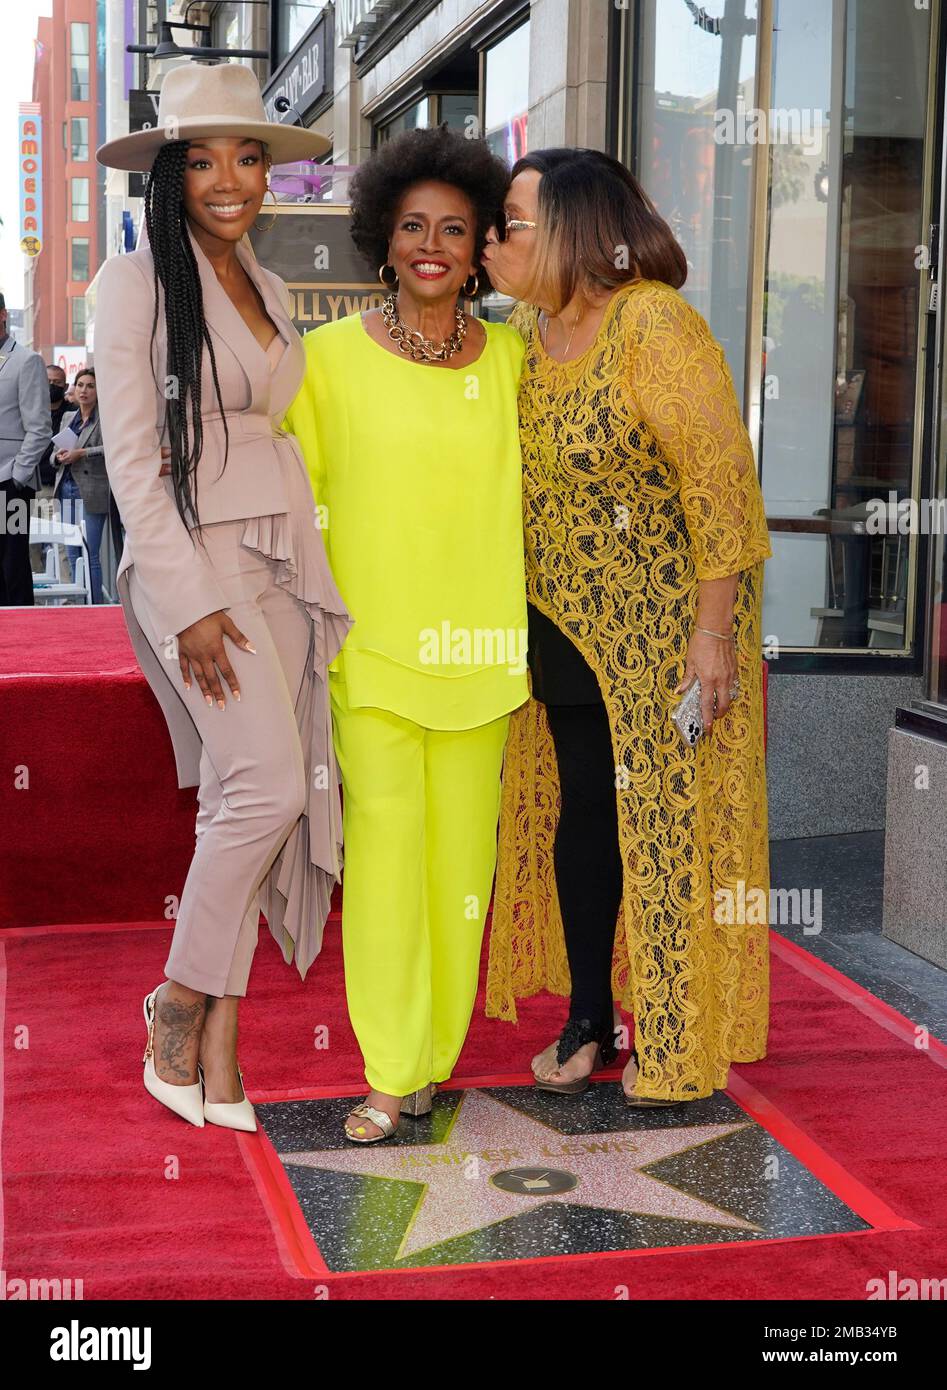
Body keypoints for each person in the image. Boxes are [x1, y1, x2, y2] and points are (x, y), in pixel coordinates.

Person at [481, 148, 772, 1105]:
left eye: (510, 222)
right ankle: (587, 1019)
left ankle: (676, 1024)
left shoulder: (651, 322)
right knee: (587, 823)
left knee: (665, 827)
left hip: (669, 637)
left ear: (568, 228)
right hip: (562, 629)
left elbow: (718, 482)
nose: (493, 240)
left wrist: (711, 637)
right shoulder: (524, 332)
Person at [94, 62, 352, 1132]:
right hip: (192, 562)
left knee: (243, 801)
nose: (228, 177)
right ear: (169, 173)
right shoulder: (135, 283)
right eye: (201, 159)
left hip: (279, 555)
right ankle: (176, 1000)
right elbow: (130, 461)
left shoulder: (271, 283)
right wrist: (188, 598)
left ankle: (222, 1057)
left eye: (247, 156)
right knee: (265, 790)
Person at [283, 126, 529, 1142]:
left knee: (459, 874)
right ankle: (388, 1071)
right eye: (413, 226)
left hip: (485, 662)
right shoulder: (326, 361)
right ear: (383, 238)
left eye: (455, 229)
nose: (432, 244)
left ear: (479, 251)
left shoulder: (514, 360)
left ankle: (433, 1060)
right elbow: (304, 509)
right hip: (372, 657)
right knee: (385, 864)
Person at [0, 292, 51, 605]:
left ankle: (21, 636)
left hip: (10, 483)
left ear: (3, 315)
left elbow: (40, 427)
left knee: (13, 563)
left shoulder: (26, 360)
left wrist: (17, 476)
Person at [52, 368, 111, 602]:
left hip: (92, 490)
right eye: (80, 385)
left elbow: (112, 449)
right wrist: (58, 457)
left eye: (90, 386)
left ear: (99, 391)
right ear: (74, 389)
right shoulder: (69, 417)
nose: (84, 390)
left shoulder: (105, 418)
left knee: (89, 552)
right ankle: (79, 605)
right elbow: (56, 451)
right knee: (71, 550)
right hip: (66, 487)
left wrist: (82, 453)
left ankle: (94, 604)